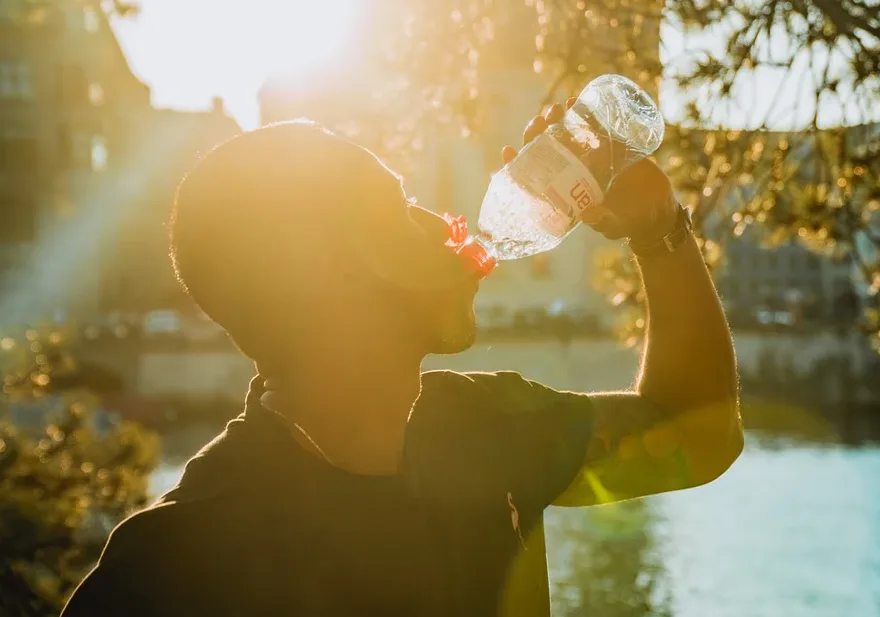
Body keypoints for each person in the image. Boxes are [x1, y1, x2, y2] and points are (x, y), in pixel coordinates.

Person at [61, 101, 742, 617]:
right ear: (332, 273)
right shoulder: (168, 566)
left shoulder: (484, 424)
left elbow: (698, 432)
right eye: (399, 207)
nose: (447, 222)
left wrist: (660, 235)